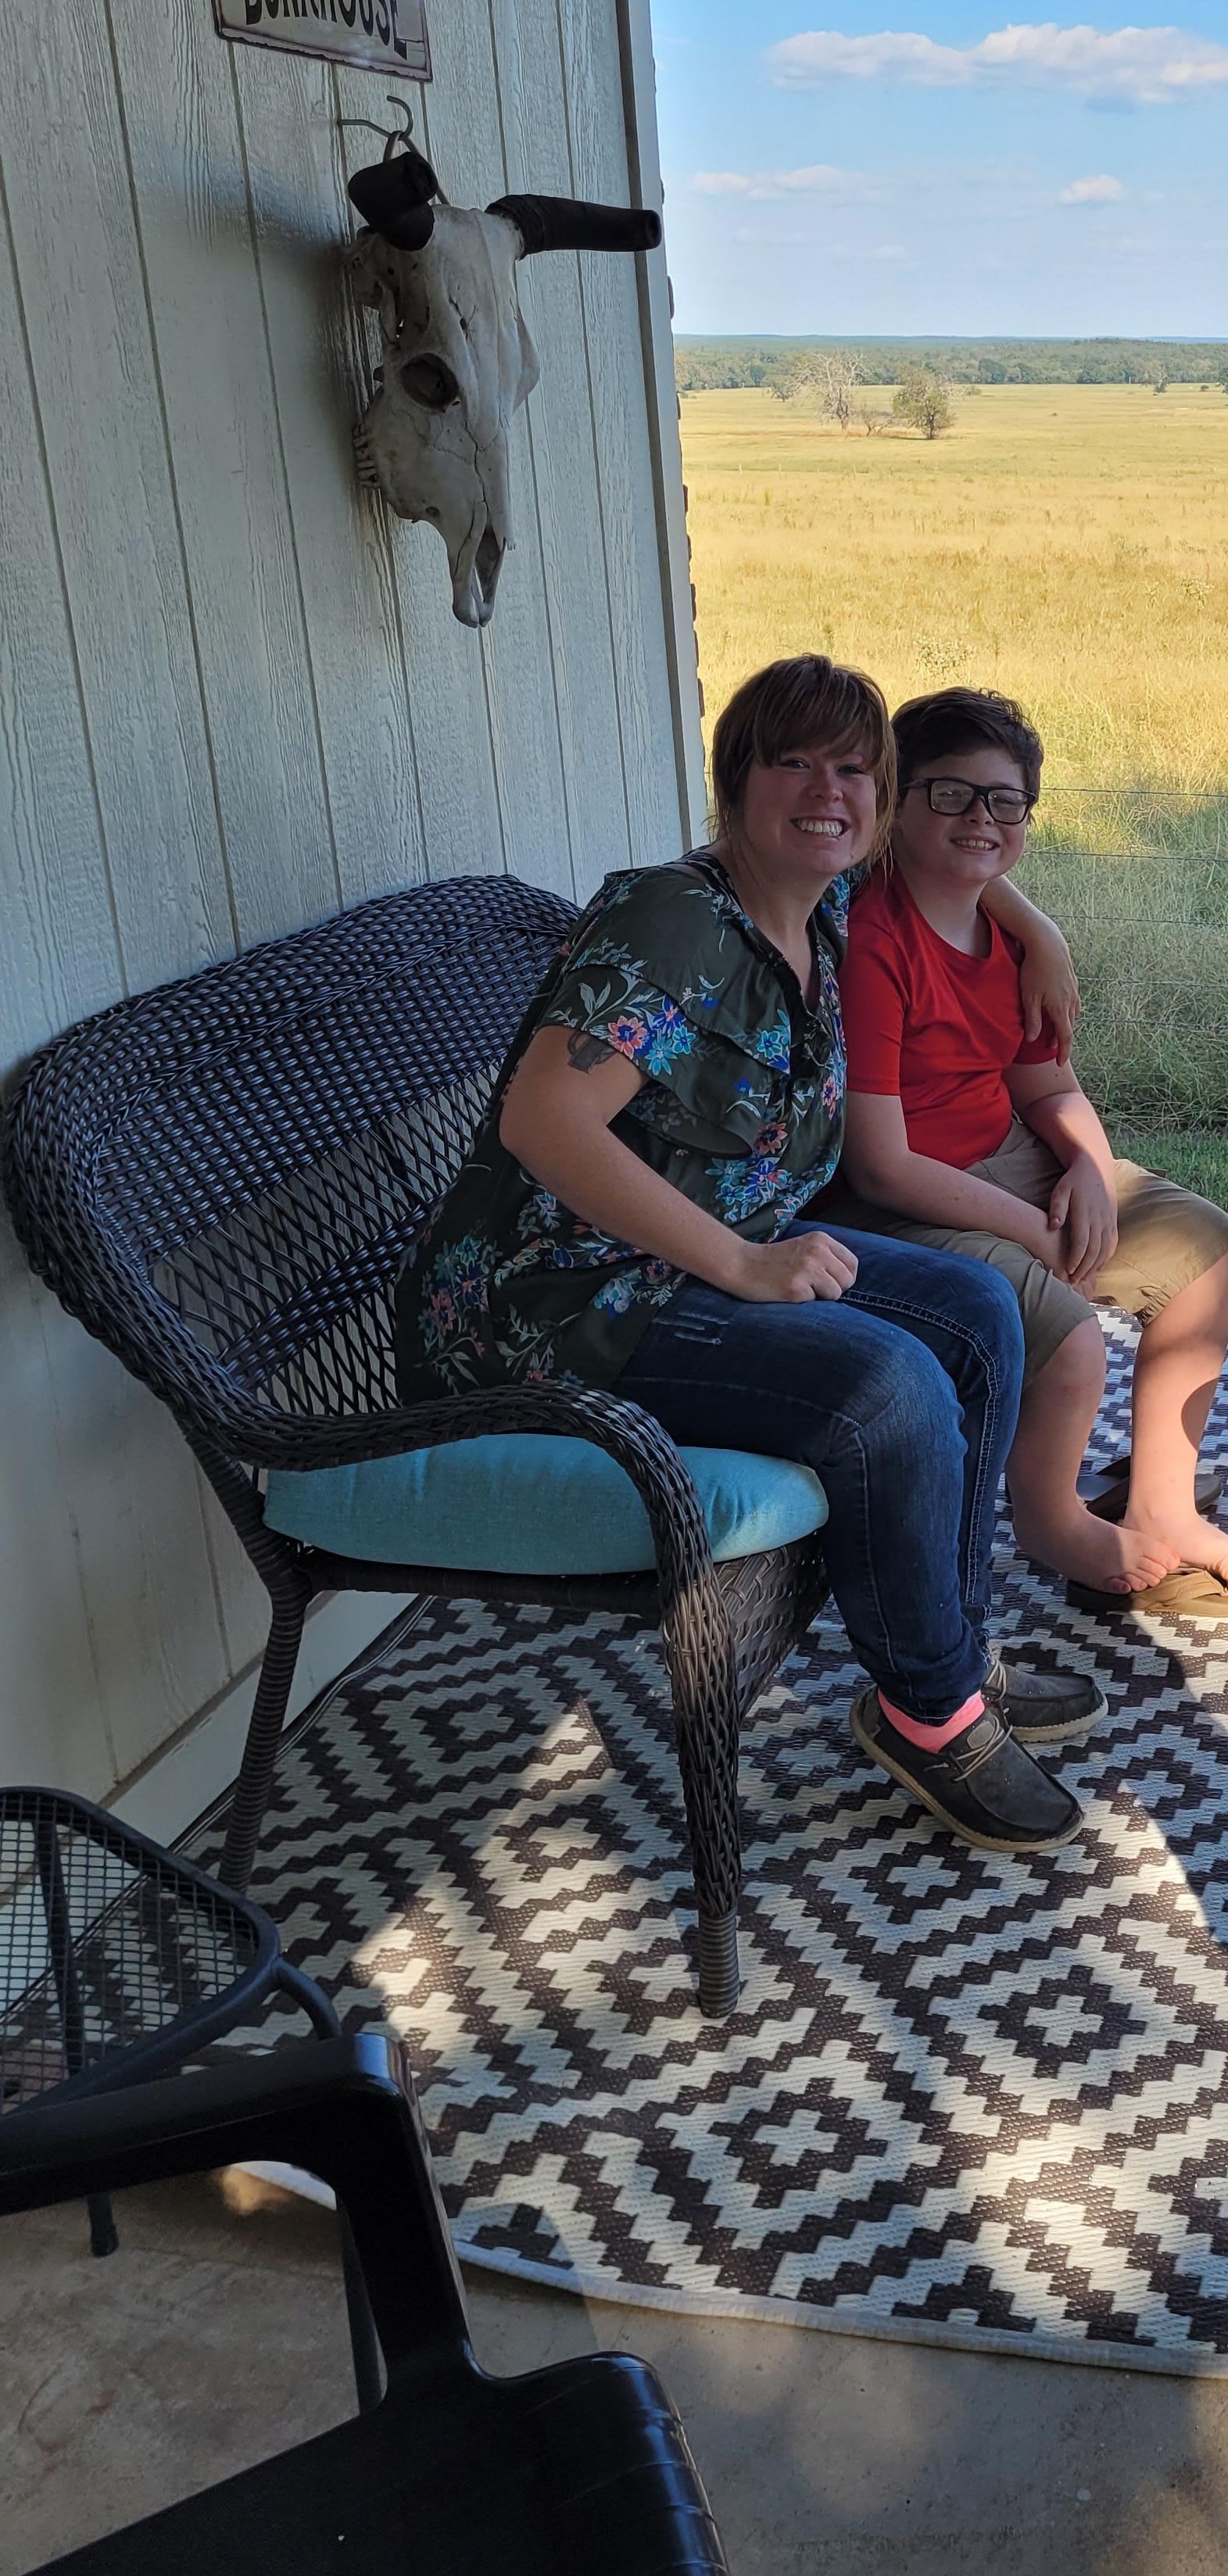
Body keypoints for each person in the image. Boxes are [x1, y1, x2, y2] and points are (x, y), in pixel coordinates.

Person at [393, 653, 1105, 1855]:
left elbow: (948, 851)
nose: (828, 792)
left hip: (687, 1261)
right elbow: (543, 1122)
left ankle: (949, 1653)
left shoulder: (821, 901)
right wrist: (738, 1265)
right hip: (559, 1302)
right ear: (734, 783)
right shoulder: (676, 924)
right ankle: (930, 1711)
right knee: (887, 1383)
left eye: (854, 770)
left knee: (978, 1311)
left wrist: (1037, 930)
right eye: (794, 763)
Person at [825, 685, 1228, 1620]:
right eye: (950, 794)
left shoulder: (1007, 937)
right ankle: (1050, 1517)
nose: (980, 819)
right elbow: (879, 1165)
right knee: (1068, 1337)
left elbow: (1047, 1085)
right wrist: (1030, 1227)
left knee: (1203, 1253)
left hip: (1009, 1155)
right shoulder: (875, 939)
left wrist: (1090, 1172)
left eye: (1006, 801)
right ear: (896, 803)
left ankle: (1163, 1501)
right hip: (903, 1201)